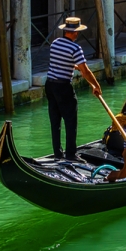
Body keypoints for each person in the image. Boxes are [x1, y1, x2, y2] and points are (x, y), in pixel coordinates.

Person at [46, 16, 87, 160]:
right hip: (64, 87)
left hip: (50, 85)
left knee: (55, 121)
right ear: (75, 32)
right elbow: (85, 71)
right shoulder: (76, 48)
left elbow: (60, 62)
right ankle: (71, 154)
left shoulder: (55, 43)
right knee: (70, 121)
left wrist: (73, 65)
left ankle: (58, 153)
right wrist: (96, 85)